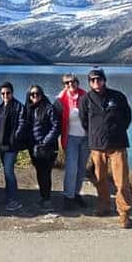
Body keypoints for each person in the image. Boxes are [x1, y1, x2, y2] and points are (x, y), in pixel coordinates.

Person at [79, 68, 132, 229]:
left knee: (121, 181)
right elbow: (84, 121)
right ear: (89, 83)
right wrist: (95, 133)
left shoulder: (117, 96)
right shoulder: (85, 99)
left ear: (104, 80)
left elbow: (127, 117)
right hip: (97, 146)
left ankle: (124, 213)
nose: (96, 82)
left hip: (118, 144)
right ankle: (103, 206)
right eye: (92, 80)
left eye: (99, 79)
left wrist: (118, 130)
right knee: (100, 179)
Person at [22, 85, 61, 211]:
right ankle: (43, 197)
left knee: (45, 173)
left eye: (37, 93)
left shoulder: (49, 108)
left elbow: (56, 127)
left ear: (42, 94)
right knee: (40, 172)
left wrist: (44, 142)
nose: (35, 96)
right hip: (34, 147)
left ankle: (47, 199)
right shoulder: (29, 109)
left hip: (47, 148)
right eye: (32, 94)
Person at [55, 73, 90, 211]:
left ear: (77, 82)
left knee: (81, 168)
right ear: (64, 85)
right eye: (67, 82)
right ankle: (68, 197)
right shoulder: (60, 99)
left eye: (73, 81)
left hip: (86, 138)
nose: (70, 84)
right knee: (71, 168)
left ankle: (76, 194)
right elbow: (54, 118)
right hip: (70, 138)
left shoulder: (85, 96)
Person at [0, 81, 27, 212]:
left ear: (12, 93)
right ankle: (9, 196)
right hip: (1, 145)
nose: (5, 95)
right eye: (3, 93)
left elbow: (22, 124)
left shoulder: (18, 107)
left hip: (11, 146)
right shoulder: (0, 107)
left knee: (8, 171)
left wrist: (15, 138)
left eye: (8, 93)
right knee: (6, 171)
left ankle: (14, 200)